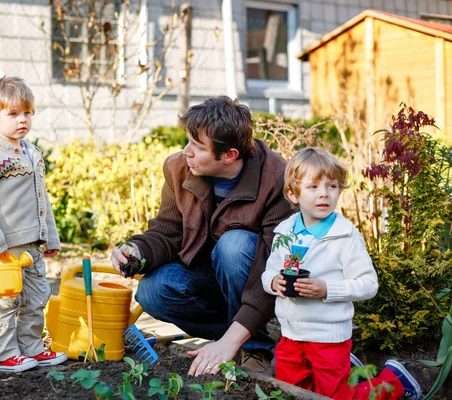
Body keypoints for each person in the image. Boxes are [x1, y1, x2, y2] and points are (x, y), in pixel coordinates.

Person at [110, 96, 294, 376]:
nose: (186, 152)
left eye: (197, 147)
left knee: (234, 246)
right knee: (152, 291)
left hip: (257, 281)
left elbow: (272, 265)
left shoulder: (276, 178)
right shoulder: (179, 168)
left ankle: (254, 347)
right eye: (187, 142)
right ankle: (237, 336)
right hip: (207, 278)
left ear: (229, 155)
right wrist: (137, 251)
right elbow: (168, 230)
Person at [261, 147, 421, 399]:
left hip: (329, 338)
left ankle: (396, 382)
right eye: (313, 187)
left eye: (332, 186)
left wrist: (327, 289)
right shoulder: (285, 231)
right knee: (290, 393)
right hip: (291, 334)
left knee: (336, 397)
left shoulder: (345, 236)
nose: (324, 194)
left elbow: (368, 284)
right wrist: (273, 281)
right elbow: (269, 269)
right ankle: (350, 371)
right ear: (292, 194)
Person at [0, 76, 67, 372]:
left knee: (36, 298)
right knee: (7, 301)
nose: (23, 120)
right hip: (4, 247)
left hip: (32, 245)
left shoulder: (31, 153)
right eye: (13, 114)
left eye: (27, 113)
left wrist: (51, 237)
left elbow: (42, 200)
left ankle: (32, 347)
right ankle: (7, 353)